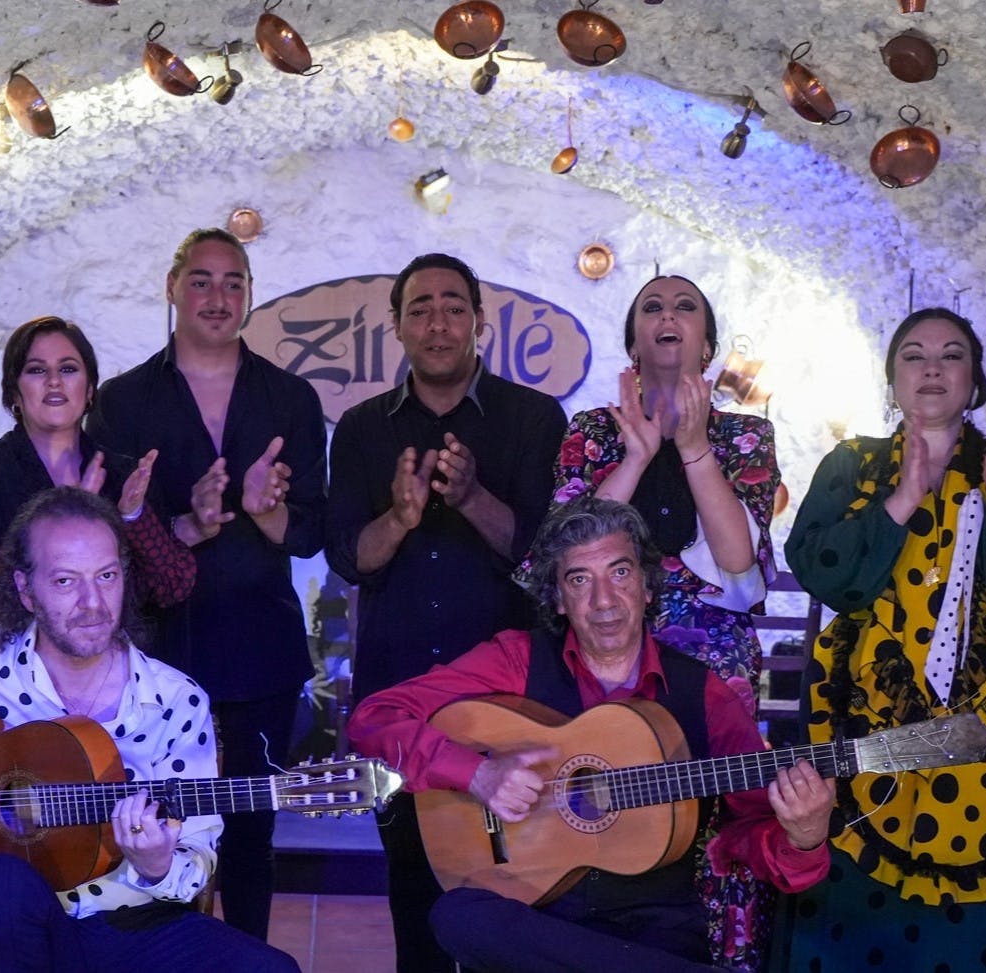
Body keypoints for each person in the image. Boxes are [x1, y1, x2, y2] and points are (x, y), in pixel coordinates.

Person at [0, 487, 300, 973]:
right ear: (26, 589)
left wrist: (156, 865)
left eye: (106, 576)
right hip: (20, 928)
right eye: (65, 581)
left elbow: (196, 858)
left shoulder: (174, 699)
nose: (92, 602)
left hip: (134, 925)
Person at [348, 497, 834, 973]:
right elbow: (375, 717)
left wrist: (806, 837)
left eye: (620, 573)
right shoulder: (515, 661)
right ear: (558, 599)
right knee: (458, 916)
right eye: (580, 580)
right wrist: (476, 773)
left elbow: (757, 838)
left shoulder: (701, 694)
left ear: (647, 586)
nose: (604, 601)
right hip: (534, 919)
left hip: (652, 929)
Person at [777, 308, 986, 972]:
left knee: (964, 918)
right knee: (851, 901)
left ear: (972, 379)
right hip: (861, 708)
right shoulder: (851, 463)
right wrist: (902, 496)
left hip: (985, 726)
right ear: (891, 379)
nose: (932, 368)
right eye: (913, 355)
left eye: (950, 355)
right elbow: (824, 572)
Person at [325, 253, 566, 972]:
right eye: (421, 308)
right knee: (412, 886)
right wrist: (400, 518)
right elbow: (347, 556)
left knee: (520, 887)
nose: (438, 322)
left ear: (478, 322)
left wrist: (468, 499)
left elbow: (543, 555)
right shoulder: (364, 428)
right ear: (397, 325)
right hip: (397, 699)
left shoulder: (532, 418)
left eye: (453, 306)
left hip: (508, 703)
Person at [85, 228, 326, 940]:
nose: (217, 297)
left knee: (251, 832)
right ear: (171, 287)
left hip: (261, 648)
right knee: (150, 825)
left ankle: (248, 958)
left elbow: (312, 533)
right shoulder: (124, 401)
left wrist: (264, 510)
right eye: (201, 280)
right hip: (157, 651)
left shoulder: (289, 397)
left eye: (232, 282)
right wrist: (187, 521)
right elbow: (110, 536)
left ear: (249, 293)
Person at [545, 274, 782, 968]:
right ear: (631, 341)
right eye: (651, 306)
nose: (668, 315)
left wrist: (689, 444)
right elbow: (562, 551)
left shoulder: (746, 437)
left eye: (685, 307)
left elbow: (740, 567)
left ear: (706, 342)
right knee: (606, 826)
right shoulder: (590, 434)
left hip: (712, 682)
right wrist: (638, 452)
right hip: (606, 675)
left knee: (714, 838)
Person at [0, 315, 195, 612]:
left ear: (89, 391)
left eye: (68, 369)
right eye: (36, 370)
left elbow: (169, 588)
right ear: (13, 394)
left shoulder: (125, 475)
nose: (54, 381)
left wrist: (132, 516)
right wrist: (72, 516)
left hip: (110, 653)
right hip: (13, 653)